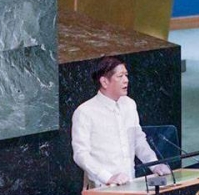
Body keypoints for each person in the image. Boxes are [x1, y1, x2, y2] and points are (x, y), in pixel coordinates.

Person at [71, 57, 171, 188]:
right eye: (120, 76)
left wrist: (154, 164)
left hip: (130, 183)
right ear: (104, 82)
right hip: (102, 187)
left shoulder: (129, 104)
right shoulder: (85, 112)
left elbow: (138, 140)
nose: (126, 80)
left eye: (126, 75)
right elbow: (81, 154)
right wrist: (108, 177)